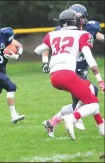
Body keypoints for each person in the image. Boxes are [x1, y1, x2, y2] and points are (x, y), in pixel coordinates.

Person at [34, 9, 104, 140]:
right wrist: (99, 78)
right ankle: (72, 118)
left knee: (89, 93)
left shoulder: (53, 34)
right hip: (69, 74)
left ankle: (100, 125)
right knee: (93, 103)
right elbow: (90, 58)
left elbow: (37, 50)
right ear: (75, 21)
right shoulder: (82, 34)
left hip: (54, 77)